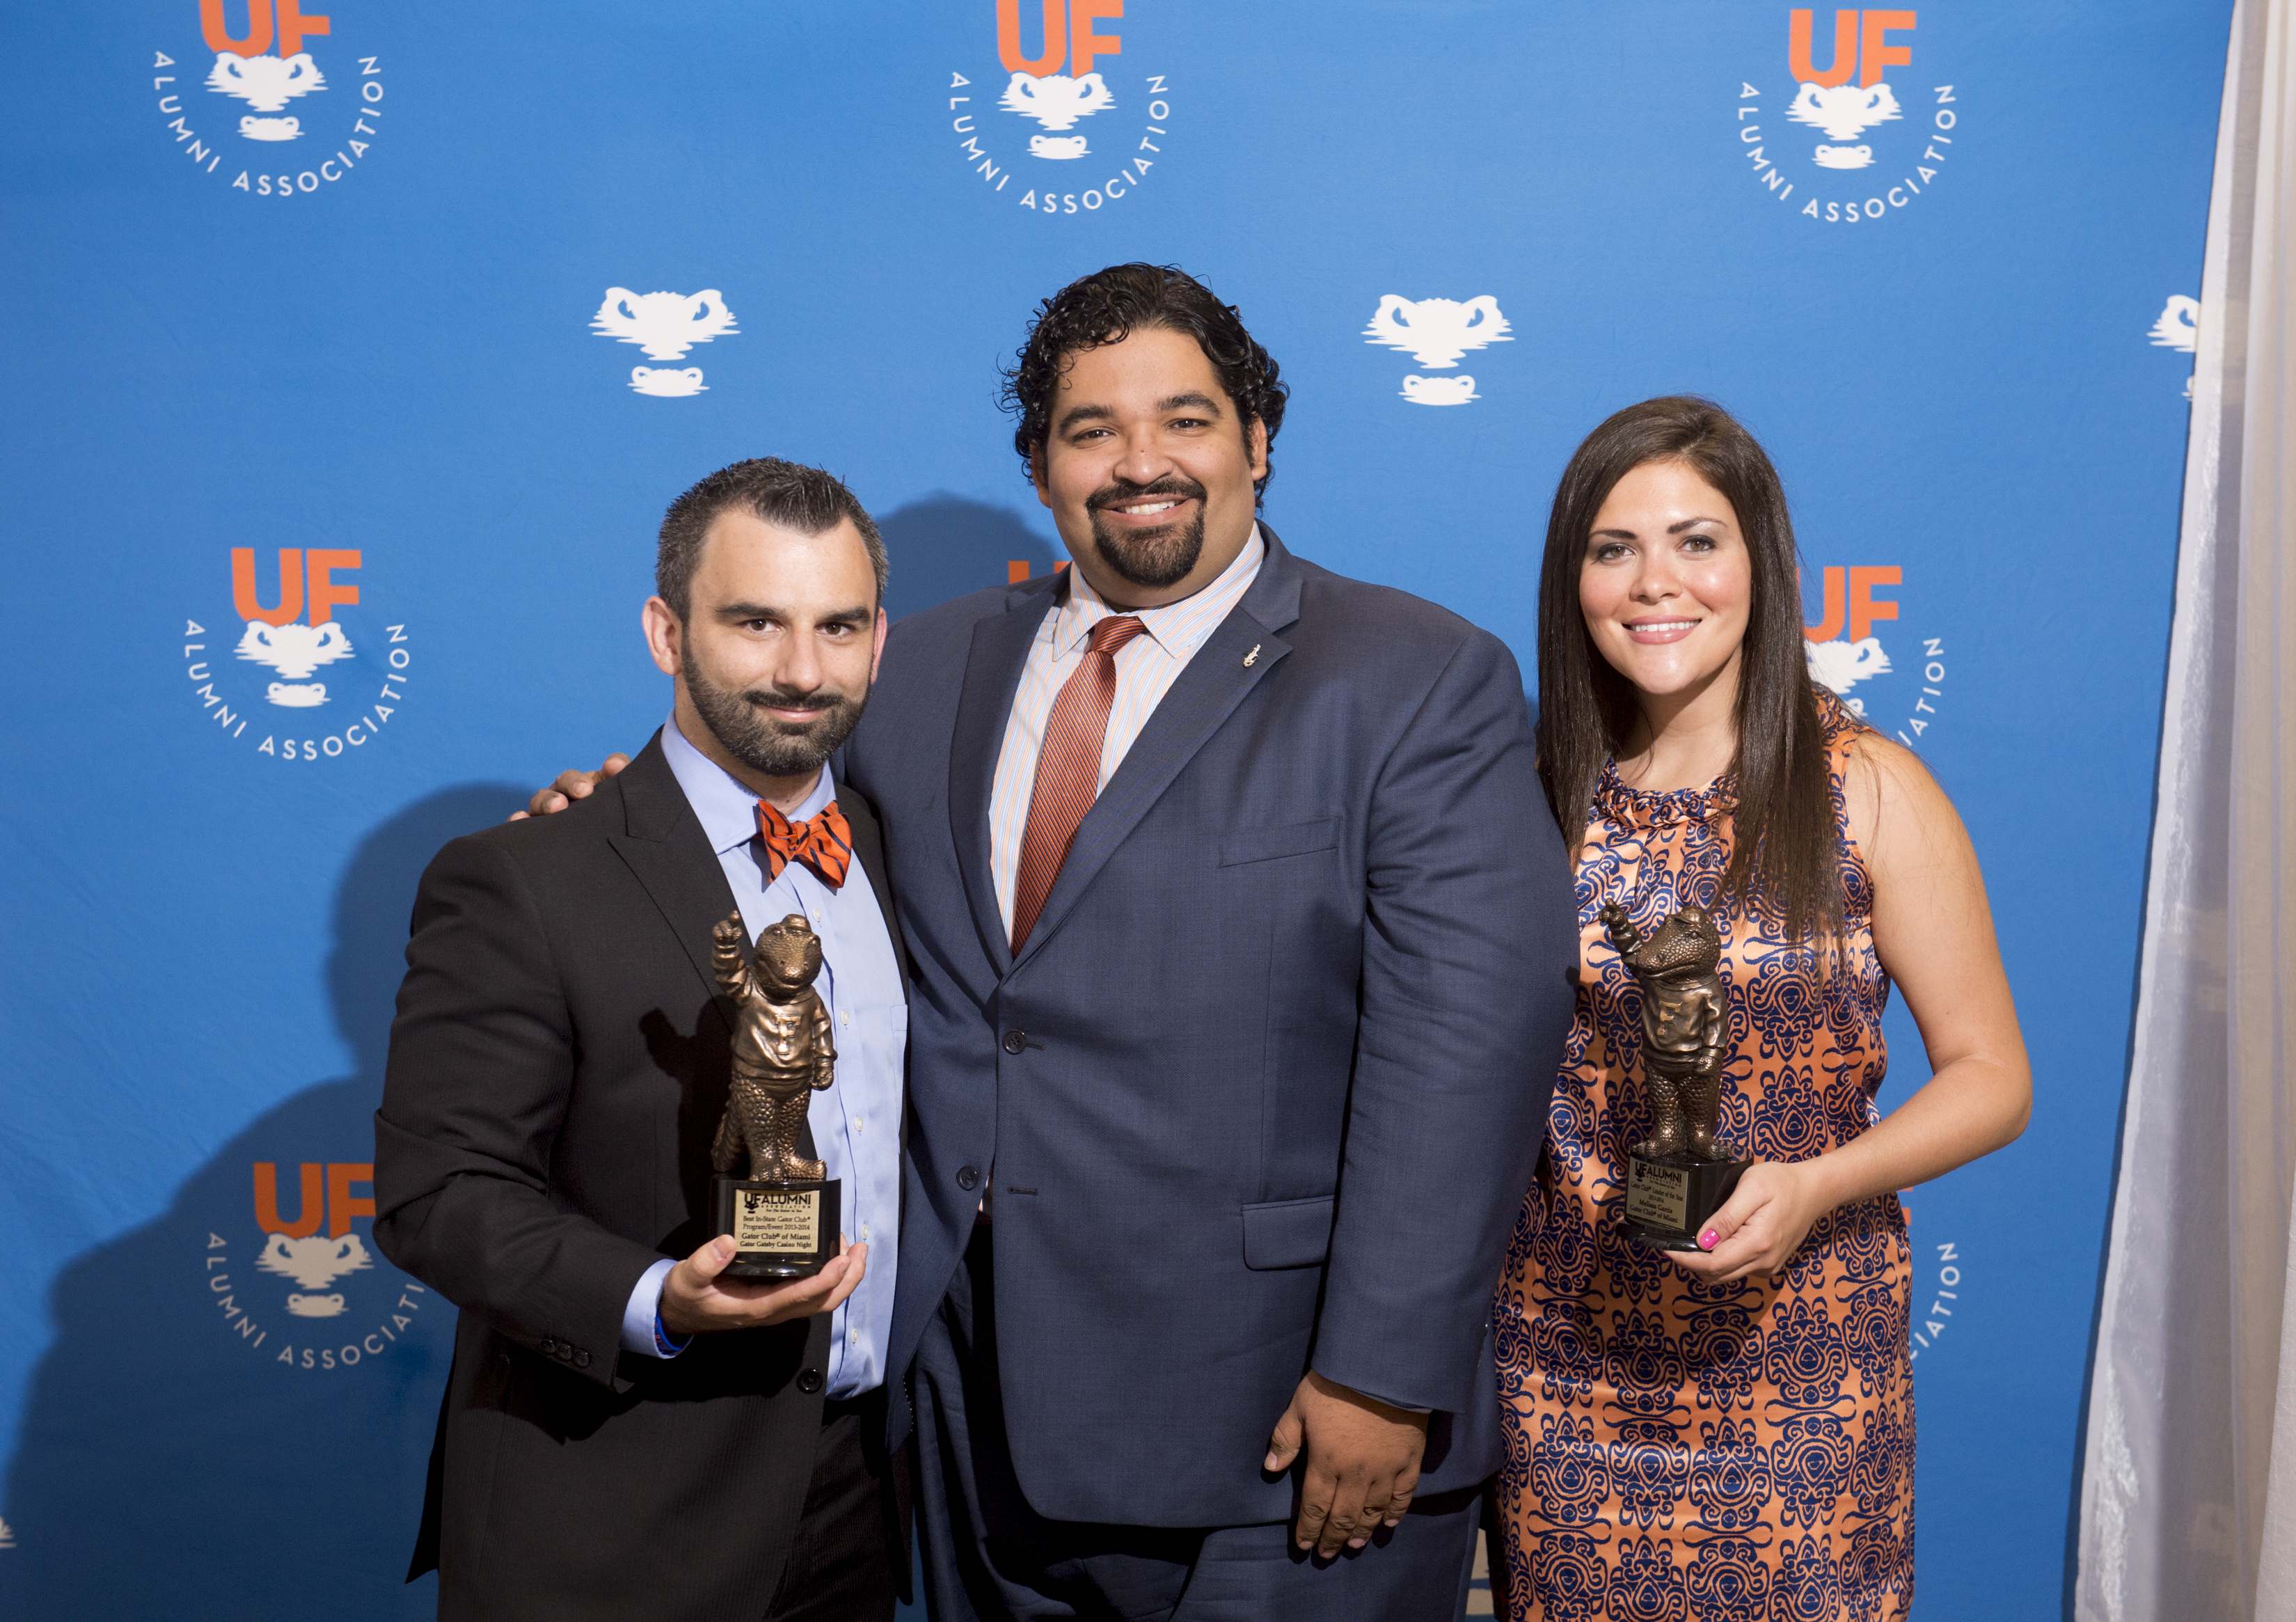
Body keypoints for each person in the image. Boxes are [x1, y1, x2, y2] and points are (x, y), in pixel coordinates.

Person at [532, 263, 1578, 1619]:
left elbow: (1471, 1049)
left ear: (1258, 442)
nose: (1141, 462)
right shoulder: (918, 669)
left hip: (1282, 1429)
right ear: (1040, 468)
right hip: (971, 1422)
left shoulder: (1414, 676)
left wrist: (1384, 1373)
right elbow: (774, 832)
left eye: (1186, 419)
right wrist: (619, 823)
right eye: (1092, 429)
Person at [1491, 398, 2033, 1620]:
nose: (1655, 582)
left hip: (1806, 1373)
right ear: (1574, 580)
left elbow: (1994, 1075)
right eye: (1614, 548)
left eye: (1697, 541)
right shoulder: (1530, 801)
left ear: (1765, 567)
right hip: (1566, 1367)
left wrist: (1817, 1185)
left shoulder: (1865, 788)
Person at [374, 459, 914, 1621]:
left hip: (864, 1500)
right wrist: (655, 1297)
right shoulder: (526, 876)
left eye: (838, 625)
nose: (801, 669)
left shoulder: (902, 844)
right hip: (611, 1517)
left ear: (879, 641)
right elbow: (439, 1193)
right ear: (667, 632)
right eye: (755, 622)